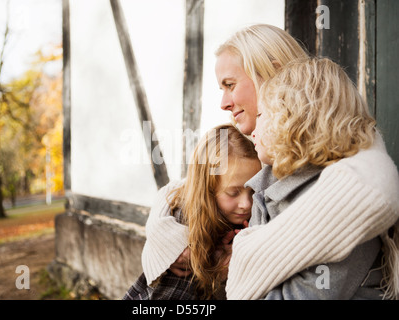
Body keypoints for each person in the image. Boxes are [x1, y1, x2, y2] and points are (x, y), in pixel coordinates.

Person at [144, 24, 399, 300]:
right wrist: (164, 230)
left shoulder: (339, 182)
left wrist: (243, 260)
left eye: (230, 85)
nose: (224, 103)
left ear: (271, 76)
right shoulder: (259, 146)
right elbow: (192, 183)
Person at [246, 57, 389, 299]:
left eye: (260, 114)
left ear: (291, 119)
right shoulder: (267, 190)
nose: (252, 130)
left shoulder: (346, 200)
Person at [123, 124, 262, 300]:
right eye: (233, 192)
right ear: (208, 188)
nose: (246, 204)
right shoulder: (187, 225)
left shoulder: (235, 219)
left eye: (253, 191)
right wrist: (212, 265)